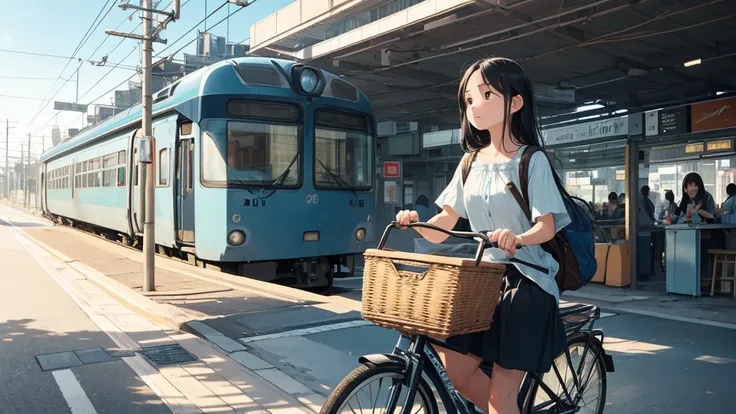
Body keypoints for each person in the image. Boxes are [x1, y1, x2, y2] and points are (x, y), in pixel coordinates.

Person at [395, 57, 568, 414]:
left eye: (487, 94)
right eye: (470, 99)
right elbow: (445, 223)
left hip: (526, 283)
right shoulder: (469, 162)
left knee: (499, 398)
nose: (475, 106)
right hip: (481, 280)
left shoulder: (530, 160)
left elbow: (547, 226)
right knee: (458, 375)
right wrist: (416, 223)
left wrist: (518, 238)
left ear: (515, 102)